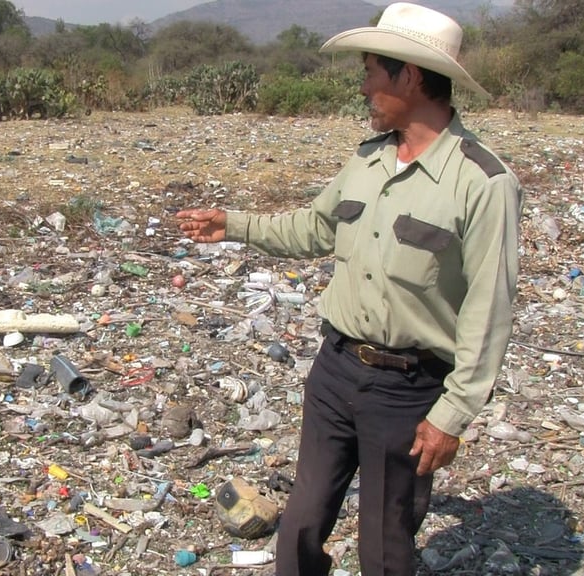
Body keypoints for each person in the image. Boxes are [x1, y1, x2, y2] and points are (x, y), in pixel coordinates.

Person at [176, 3, 522, 575]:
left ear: (408, 77)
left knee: (385, 546)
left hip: (409, 392)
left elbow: (490, 311)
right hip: (335, 371)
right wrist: (234, 226)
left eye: (370, 72)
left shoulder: (483, 183)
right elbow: (316, 227)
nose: (362, 87)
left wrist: (453, 414)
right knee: (302, 525)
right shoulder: (367, 161)